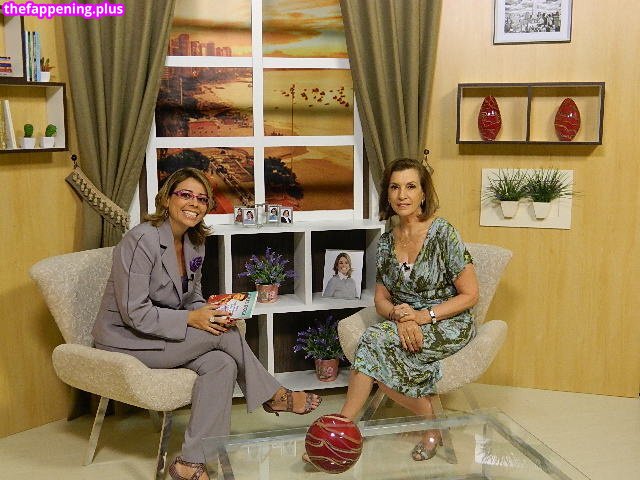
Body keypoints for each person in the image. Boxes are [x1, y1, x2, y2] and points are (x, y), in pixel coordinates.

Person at [92, 168, 321, 480]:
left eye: (202, 199)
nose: (194, 204)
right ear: (166, 199)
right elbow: (135, 313)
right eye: (185, 195)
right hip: (127, 339)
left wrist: (210, 311)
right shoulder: (140, 240)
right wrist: (191, 318)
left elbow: (192, 297)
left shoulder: (195, 242)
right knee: (225, 336)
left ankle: (189, 464)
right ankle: (275, 395)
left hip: (165, 334)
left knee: (222, 364)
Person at [319, 158, 479, 463]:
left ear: (423, 193)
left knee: (373, 345)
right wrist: (400, 316)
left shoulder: (443, 233)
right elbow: (381, 300)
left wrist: (422, 317)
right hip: (405, 320)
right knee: (376, 347)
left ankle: (340, 433)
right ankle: (428, 422)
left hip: (447, 320)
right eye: (395, 187)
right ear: (387, 194)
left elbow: (470, 295)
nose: (402, 195)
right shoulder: (385, 243)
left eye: (410, 186)